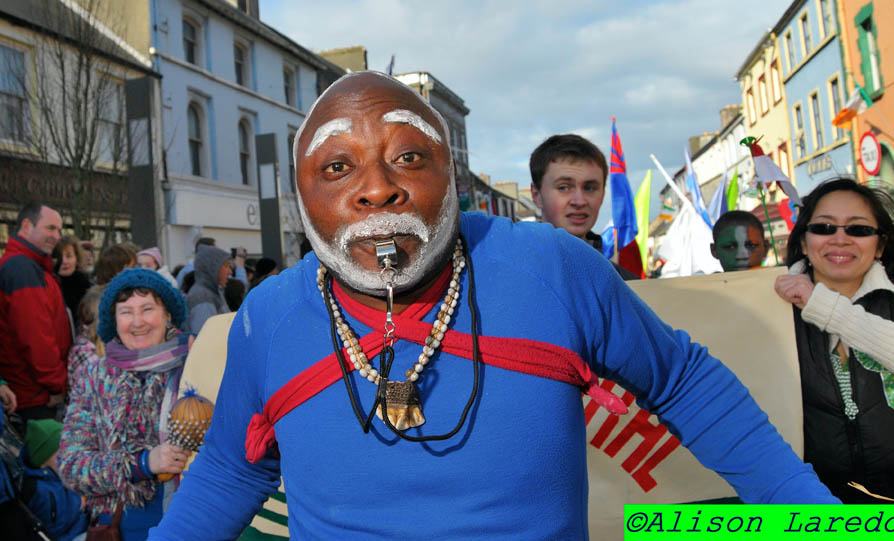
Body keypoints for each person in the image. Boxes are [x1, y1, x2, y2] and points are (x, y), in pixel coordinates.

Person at [149, 72, 837, 540]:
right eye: (338, 167)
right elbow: (234, 468)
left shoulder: (551, 268)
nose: (377, 189)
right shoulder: (269, 318)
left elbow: (687, 384)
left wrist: (814, 515)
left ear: (451, 175)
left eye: (409, 157)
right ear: (302, 198)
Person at [774, 177, 894, 503]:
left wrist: (821, 305)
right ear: (803, 241)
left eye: (857, 230)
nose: (840, 239)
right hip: (808, 512)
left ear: (880, 245)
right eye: (824, 228)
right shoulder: (768, 309)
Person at [59, 268, 191, 540]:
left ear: (167, 315)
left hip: (192, 520)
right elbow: (71, 466)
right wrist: (141, 463)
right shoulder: (95, 378)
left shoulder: (194, 368)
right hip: (123, 527)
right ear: (114, 319)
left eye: (147, 308)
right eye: (126, 311)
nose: (137, 321)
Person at [529, 134, 638, 280]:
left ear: (603, 194)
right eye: (563, 187)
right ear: (536, 195)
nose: (579, 201)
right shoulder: (510, 277)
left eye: (590, 188)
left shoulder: (625, 285)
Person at [0, 202, 70, 428]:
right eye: (50, 228)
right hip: (35, 397)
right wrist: (58, 385)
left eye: (59, 230)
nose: (56, 236)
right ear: (27, 226)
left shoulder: (31, 267)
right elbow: (35, 337)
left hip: (34, 393)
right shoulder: (22, 270)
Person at [20, 419, 89, 541]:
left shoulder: (61, 475)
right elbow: (55, 533)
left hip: (81, 525)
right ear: (43, 462)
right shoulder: (39, 492)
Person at [185, 244, 232, 334]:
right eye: (226, 266)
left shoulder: (214, 290)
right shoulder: (202, 297)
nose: (230, 272)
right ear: (213, 269)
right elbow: (206, 336)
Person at [53, 235, 93, 325]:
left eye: (69, 256)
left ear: (77, 258)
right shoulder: (45, 285)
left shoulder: (87, 288)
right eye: (59, 256)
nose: (64, 261)